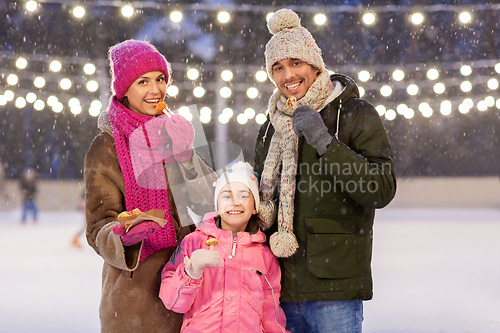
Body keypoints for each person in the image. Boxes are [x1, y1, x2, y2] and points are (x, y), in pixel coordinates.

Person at [254, 9, 397, 333]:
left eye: (295, 63)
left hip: (335, 286)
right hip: (278, 284)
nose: (287, 74)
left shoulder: (355, 114)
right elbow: (261, 190)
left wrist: (323, 141)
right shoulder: (271, 125)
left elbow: (380, 188)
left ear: (315, 64)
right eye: (278, 67)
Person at [84, 39, 217, 333]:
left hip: (188, 288)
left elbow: (213, 200)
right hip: (134, 303)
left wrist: (187, 157)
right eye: (143, 81)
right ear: (124, 90)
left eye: (160, 79)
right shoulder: (106, 147)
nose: (155, 90)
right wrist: (124, 236)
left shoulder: (175, 132)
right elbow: (97, 227)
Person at [159, 161, 289, 333]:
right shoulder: (193, 242)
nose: (234, 203)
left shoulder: (265, 255)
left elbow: (271, 314)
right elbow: (172, 302)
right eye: (226, 196)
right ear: (217, 204)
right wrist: (190, 274)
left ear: (255, 207)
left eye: (243, 195)